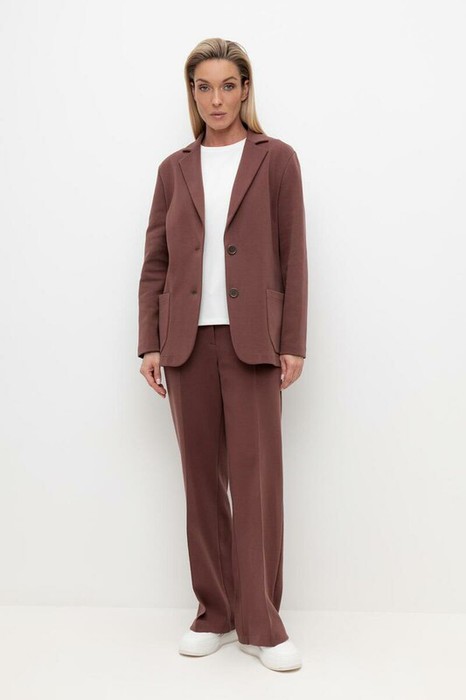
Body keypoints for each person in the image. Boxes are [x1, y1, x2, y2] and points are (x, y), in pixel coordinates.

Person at [137, 37, 308, 672]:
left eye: (228, 86)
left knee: (257, 481)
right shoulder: (173, 168)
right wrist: (149, 341)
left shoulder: (276, 159)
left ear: (245, 90)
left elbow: (294, 253)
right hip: (184, 341)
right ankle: (215, 612)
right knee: (200, 481)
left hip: (254, 341)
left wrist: (293, 341)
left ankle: (261, 621)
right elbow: (155, 260)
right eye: (204, 87)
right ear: (193, 94)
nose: (216, 99)